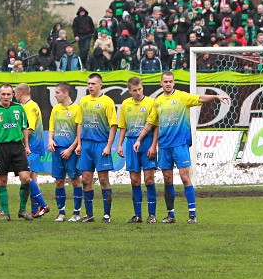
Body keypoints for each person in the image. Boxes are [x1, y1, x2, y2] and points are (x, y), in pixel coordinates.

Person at [136, 71, 229, 223]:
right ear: (161, 83)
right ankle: (170, 215)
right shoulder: (157, 101)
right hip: (164, 145)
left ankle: (192, 215)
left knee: (185, 177)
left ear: (173, 83)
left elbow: (200, 98)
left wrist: (216, 97)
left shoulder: (181, 96)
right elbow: (150, 123)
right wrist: (139, 139)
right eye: (165, 81)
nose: (168, 84)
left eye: (170, 81)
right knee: (167, 179)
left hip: (180, 144)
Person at [0, 83, 36, 222]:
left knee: (26, 178)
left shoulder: (19, 108)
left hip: (17, 147)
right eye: (3, 94)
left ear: (13, 95)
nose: (6, 97)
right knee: (2, 180)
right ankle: (5, 213)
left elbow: (24, 128)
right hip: (0, 148)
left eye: (8, 94)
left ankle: (22, 210)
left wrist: (27, 146)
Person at [77, 72, 118, 222]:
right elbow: (80, 123)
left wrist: (108, 146)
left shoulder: (107, 102)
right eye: (88, 84)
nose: (90, 86)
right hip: (86, 145)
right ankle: (89, 214)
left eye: (93, 84)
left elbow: (113, 126)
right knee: (86, 180)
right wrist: (79, 144)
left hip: (101, 145)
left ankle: (107, 214)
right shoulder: (83, 101)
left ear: (100, 85)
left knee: (103, 179)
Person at [117, 77, 158, 223]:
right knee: (134, 180)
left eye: (140, 89)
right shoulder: (126, 104)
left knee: (148, 179)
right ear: (129, 91)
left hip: (146, 142)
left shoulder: (151, 103)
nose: (138, 92)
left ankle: (152, 214)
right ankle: (137, 215)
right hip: (131, 142)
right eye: (134, 90)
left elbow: (155, 126)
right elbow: (123, 126)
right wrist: (120, 144)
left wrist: (154, 145)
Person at [47, 82, 83, 222]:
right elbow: (51, 128)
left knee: (75, 181)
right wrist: (50, 140)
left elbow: (79, 133)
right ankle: (61, 212)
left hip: (71, 151)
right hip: (57, 150)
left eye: (57, 92)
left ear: (66, 93)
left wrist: (70, 149)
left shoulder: (76, 109)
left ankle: (76, 213)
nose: (55, 95)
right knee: (59, 181)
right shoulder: (55, 109)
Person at [14, 83, 51, 217]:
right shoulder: (31, 105)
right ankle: (36, 210)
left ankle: (42, 204)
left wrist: (17, 139)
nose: (14, 95)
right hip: (35, 146)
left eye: (15, 93)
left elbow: (29, 129)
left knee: (26, 177)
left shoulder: (29, 107)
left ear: (20, 93)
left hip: (32, 147)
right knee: (32, 177)